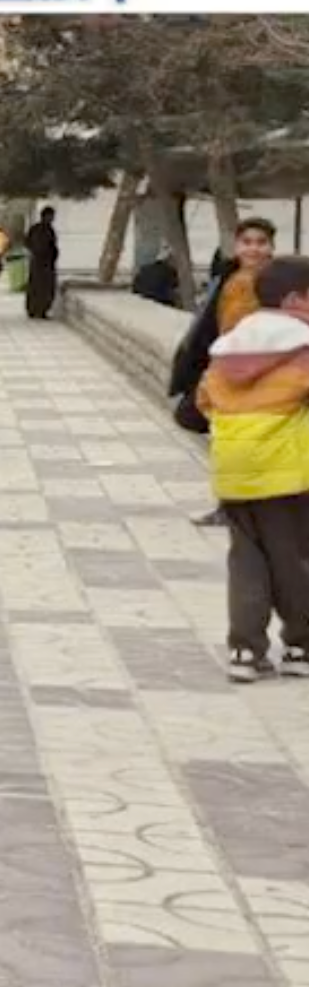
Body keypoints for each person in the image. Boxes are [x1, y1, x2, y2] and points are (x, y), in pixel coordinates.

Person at [195, 254, 309, 682]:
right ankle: (300, 645)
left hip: (234, 470)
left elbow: (205, 400)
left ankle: (245, 649)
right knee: (294, 559)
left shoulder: (232, 345)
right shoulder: (303, 345)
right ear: (297, 299)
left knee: (247, 559)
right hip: (288, 471)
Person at [174, 218, 280, 527]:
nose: (254, 249)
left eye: (261, 243)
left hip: (261, 372)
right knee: (225, 441)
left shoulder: (279, 280)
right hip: (225, 368)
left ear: (271, 247)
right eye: (248, 242)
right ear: (237, 245)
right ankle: (230, 505)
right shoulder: (229, 277)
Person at [23, 207, 60, 319]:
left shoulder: (36, 228)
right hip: (44, 263)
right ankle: (39, 310)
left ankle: (35, 309)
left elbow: (27, 242)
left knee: (36, 286)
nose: (53, 218)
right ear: (46, 216)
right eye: (51, 216)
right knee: (43, 288)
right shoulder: (46, 229)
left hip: (39, 262)